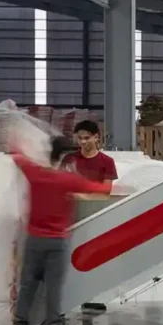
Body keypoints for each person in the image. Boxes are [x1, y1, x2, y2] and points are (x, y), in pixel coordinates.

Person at [11, 136, 113, 325]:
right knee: (54, 286)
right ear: (67, 159)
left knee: (28, 284)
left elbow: (17, 157)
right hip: (57, 241)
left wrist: (17, 141)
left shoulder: (35, 173)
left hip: (34, 240)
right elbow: (102, 189)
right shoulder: (69, 180)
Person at [62, 120, 117, 315]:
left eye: (87, 138)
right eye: (80, 138)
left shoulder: (106, 162)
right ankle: (68, 298)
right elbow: (60, 185)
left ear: (96, 137)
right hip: (70, 216)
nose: (83, 142)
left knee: (94, 257)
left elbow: (106, 191)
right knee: (69, 258)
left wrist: (80, 195)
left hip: (95, 215)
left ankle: (92, 297)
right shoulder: (70, 160)